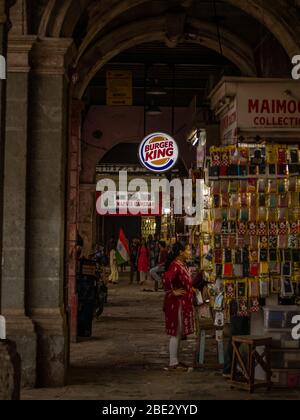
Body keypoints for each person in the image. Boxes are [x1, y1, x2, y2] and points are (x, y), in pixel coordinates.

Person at [162, 242, 195, 371]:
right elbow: (166, 279)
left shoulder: (182, 265)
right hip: (176, 304)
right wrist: (172, 291)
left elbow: (183, 281)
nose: (190, 252)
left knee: (179, 332)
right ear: (181, 252)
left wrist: (191, 288)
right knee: (176, 332)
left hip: (182, 303)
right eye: (188, 250)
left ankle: (175, 359)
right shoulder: (175, 265)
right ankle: (173, 362)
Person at [222, 300, 250, 378]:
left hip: (239, 305)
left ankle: (231, 368)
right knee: (235, 340)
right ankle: (228, 369)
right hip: (238, 304)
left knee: (235, 340)